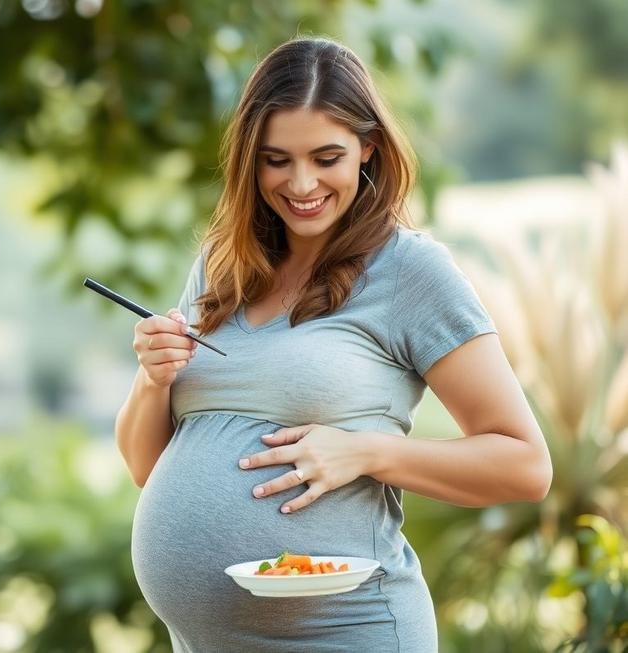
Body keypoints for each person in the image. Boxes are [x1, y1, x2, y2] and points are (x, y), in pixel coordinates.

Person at [113, 37, 553, 653]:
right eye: (276, 160)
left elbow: (525, 466)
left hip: (347, 634)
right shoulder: (224, 266)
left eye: (326, 158)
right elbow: (144, 467)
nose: (301, 184)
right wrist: (153, 377)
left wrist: (364, 452)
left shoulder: (410, 271)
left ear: (368, 148)